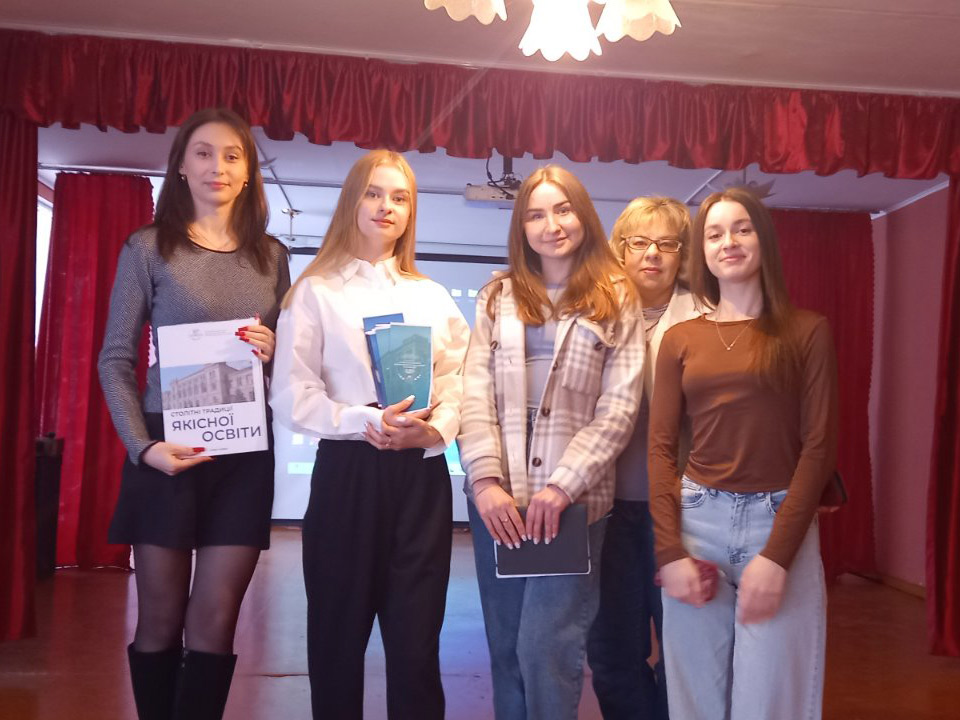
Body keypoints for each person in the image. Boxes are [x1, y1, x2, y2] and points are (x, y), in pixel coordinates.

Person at [99, 107, 291, 720]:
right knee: (160, 619)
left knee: (215, 621)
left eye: (232, 155)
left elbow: (289, 365)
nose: (217, 166)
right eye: (203, 153)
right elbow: (114, 358)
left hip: (243, 453)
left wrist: (276, 349)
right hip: (166, 450)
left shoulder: (272, 256)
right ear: (182, 165)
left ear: (248, 171)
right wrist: (143, 447)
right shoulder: (148, 247)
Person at [269, 149, 469, 720]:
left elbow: (460, 382)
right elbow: (291, 394)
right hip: (348, 475)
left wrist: (434, 432)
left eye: (400, 197)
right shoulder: (316, 291)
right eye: (374, 193)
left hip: (420, 479)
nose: (387, 206)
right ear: (352, 201)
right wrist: (364, 421)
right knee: (336, 641)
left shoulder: (432, 297)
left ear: (411, 211)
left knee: (417, 646)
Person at [458, 165, 644, 720]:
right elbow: (474, 393)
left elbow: (620, 406)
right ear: (521, 226)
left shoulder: (616, 296)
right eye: (536, 214)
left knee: (548, 650)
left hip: (575, 504)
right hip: (499, 503)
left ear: (583, 215)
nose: (551, 225)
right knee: (506, 649)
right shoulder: (496, 295)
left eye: (563, 209)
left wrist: (563, 487)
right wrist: (484, 481)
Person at [648, 188, 838, 719]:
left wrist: (777, 557)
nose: (727, 242)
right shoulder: (680, 338)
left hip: (779, 524)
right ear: (702, 252)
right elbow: (660, 448)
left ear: (763, 240)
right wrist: (669, 551)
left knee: (773, 704)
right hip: (697, 523)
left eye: (741, 229)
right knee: (695, 705)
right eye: (714, 234)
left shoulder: (807, 330)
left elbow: (819, 446)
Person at [587, 197, 701, 720]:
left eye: (667, 243)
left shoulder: (709, 316)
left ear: (682, 254)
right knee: (612, 653)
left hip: (682, 510)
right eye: (639, 241)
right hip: (605, 512)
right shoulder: (592, 314)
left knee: (685, 649)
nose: (652, 253)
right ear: (620, 249)